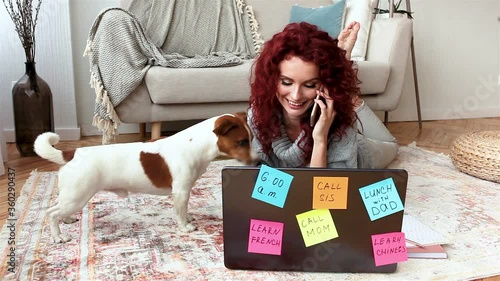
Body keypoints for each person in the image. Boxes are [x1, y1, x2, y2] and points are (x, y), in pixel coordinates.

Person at [247, 21, 398, 169]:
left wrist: (320, 139)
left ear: (323, 85)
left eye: (310, 85)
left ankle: (346, 85)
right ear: (272, 79)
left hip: (358, 153)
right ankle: (340, 66)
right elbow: (260, 174)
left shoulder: (340, 123)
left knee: (392, 146)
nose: (296, 96)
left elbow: (325, 189)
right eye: (286, 82)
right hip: (344, 141)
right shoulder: (259, 114)